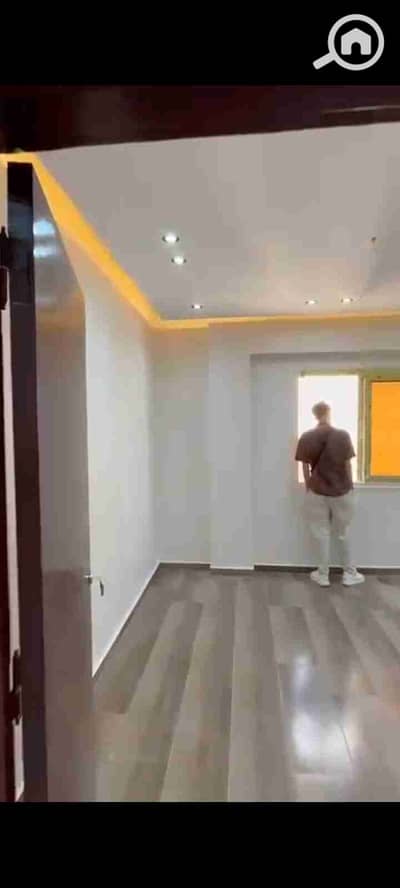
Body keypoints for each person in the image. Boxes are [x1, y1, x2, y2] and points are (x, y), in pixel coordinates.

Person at [295, 400, 364, 587]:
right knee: (344, 533)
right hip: (341, 490)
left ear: (314, 415)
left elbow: (304, 467)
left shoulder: (306, 437)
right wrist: (350, 486)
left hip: (317, 490)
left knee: (321, 533)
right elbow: (348, 465)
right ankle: (349, 574)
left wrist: (309, 486)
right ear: (328, 413)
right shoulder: (342, 435)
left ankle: (323, 575)